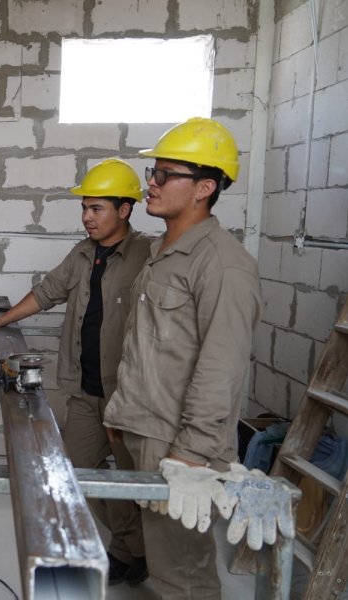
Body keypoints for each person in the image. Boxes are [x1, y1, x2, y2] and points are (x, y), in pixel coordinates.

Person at [103, 117, 262, 599]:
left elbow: (222, 368)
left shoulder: (224, 264)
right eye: (153, 172)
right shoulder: (162, 252)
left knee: (183, 575)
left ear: (204, 188)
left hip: (179, 446)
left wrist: (190, 455)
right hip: (142, 428)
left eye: (165, 174)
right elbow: (150, 346)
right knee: (157, 549)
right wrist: (122, 416)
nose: (151, 183)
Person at [0, 158, 152, 586]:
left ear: (124, 209)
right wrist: (2, 320)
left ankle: (134, 554)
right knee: (74, 472)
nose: (87, 217)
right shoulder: (82, 253)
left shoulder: (148, 255)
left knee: (132, 480)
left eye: (97, 209)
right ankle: (129, 547)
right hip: (86, 393)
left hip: (128, 396)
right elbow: (47, 292)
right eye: (85, 208)